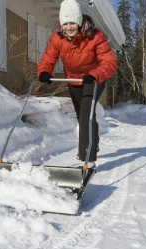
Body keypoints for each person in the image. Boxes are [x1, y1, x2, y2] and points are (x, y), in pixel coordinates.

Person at [37, 0, 117, 168]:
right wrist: (44, 71)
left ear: (79, 21)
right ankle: (92, 145)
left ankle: (86, 157)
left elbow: (109, 63)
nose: (68, 27)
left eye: (72, 22)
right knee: (84, 116)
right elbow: (48, 58)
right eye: (65, 23)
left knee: (86, 115)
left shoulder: (95, 36)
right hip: (73, 80)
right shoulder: (57, 38)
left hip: (93, 79)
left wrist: (94, 75)